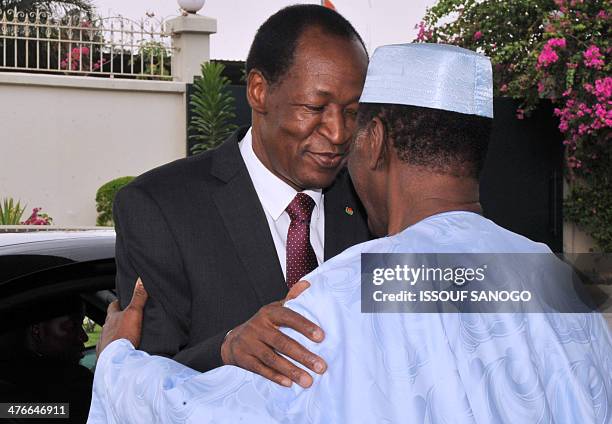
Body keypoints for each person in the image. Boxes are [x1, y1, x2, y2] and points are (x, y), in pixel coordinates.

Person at [90, 44, 612, 423]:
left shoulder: (349, 293)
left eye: (355, 124)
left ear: (376, 141)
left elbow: (208, 414)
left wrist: (116, 361)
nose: (339, 138)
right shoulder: (554, 279)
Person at [113, 4, 370, 388]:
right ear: (259, 91)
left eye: (352, 112)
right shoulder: (159, 208)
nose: (338, 133)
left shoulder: (372, 206)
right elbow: (144, 381)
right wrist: (227, 349)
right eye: (315, 108)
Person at [0, 297, 93, 423]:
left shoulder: (8, 382)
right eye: (73, 326)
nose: (85, 337)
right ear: (37, 330)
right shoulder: (76, 384)